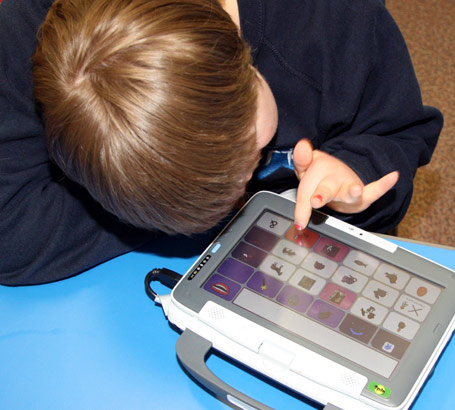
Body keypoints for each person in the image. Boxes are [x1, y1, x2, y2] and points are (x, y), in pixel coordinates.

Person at [0, 0, 442, 286]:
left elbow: (398, 133)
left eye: (253, 155)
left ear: (244, 58)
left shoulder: (335, 19)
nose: (243, 188)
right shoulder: (23, 37)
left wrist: (355, 172)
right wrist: (151, 205)